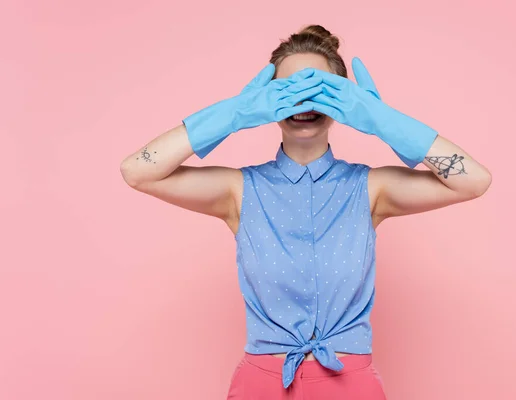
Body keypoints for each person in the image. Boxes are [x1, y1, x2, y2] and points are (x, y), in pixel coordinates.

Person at [120, 24, 492, 400]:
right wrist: (233, 113)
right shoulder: (239, 190)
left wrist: (383, 120)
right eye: (288, 92)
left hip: (352, 386)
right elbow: (137, 171)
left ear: (345, 103)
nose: (304, 103)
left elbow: (473, 180)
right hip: (260, 386)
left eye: (322, 92)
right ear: (267, 101)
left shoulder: (369, 188)